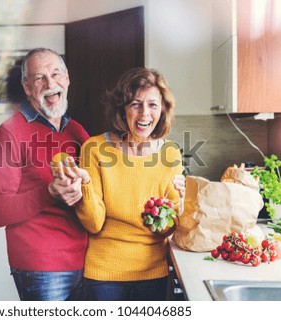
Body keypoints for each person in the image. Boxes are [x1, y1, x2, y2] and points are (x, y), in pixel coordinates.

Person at [0, 48, 185, 301]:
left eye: (56, 74)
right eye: (39, 78)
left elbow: (95, 197)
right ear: (26, 87)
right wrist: (49, 192)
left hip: (83, 262)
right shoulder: (9, 133)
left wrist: (178, 201)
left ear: (67, 79)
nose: (50, 83)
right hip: (43, 269)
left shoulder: (76, 131)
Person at [55, 67, 184, 300]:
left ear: (162, 110)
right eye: (135, 104)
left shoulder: (171, 154)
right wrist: (85, 186)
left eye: (153, 105)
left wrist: (164, 214)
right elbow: (94, 224)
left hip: (153, 272)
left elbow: (170, 226)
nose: (144, 113)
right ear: (122, 109)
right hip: (104, 275)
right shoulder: (95, 149)